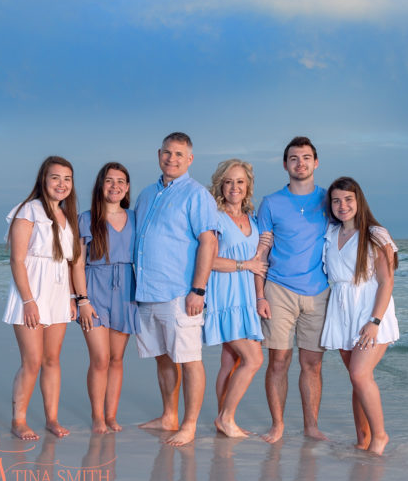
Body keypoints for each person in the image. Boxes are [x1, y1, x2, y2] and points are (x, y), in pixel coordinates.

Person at [134, 132, 219, 446]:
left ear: (190, 159)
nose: (172, 159)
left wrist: (198, 290)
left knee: (188, 358)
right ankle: (169, 415)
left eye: (179, 154)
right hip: (146, 292)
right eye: (167, 153)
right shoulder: (145, 194)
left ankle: (190, 424)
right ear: (159, 154)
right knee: (163, 357)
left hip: (179, 293)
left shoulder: (197, 195)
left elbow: (209, 241)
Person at [255, 136, 331, 443]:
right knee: (279, 361)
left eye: (306, 158)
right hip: (278, 290)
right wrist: (259, 295)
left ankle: (311, 426)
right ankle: (278, 425)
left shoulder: (330, 200)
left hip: (319, 291)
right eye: (294, 158)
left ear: (316, 162)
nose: (300, 163)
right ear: (285, 164)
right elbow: (260, 254)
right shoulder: (271, 203)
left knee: (312, 364)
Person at [2, 156, 80, 440]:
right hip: (31, 294)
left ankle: (52, 418)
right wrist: (28, 301)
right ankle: (19, 420)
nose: (61, 184)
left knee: (52, 359)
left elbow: (68, 262)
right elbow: (17, 260)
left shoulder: (67, 216)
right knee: (32, 361)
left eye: (67, 179)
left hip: (58, 295)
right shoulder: (28, 211)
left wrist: (72, 296)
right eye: (55, 177)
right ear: (43, 180)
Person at [321, 176, 399, 455]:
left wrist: (374, 322)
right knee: (357, 380)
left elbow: (387, 281)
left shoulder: (376, 234)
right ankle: (362, 439)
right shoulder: (329, 235)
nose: (342, 205)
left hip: (370, 312)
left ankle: (380, 436)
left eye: (348, 199)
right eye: (336, 200)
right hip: (342, 311)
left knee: (359, 374)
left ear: (359, 201)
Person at [72, 162, 140, 434]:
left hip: (127, 291)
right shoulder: (86, 218)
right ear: (101, 185)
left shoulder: (136, 217)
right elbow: (76, 264)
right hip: (95, 290)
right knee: (100, 358)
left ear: (127, 187)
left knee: (116, 359)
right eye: (110, 181)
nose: (115, 186)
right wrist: (82, 300)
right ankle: (98, 416)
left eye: (121, 181)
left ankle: (112, 416)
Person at [204, 159, 269, 438]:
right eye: (229, 181)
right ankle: (226, 418)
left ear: (248, 186)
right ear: (220, 184)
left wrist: (260, 297)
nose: (234, 187)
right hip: (224, 297)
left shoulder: (253, 220)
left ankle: (223, 419)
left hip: (246, 300)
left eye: (240, 181)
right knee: (254, 360)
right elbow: (209, 260)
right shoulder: (214, 218)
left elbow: (259, 264)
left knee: (230, 362)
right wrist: (246, 265)